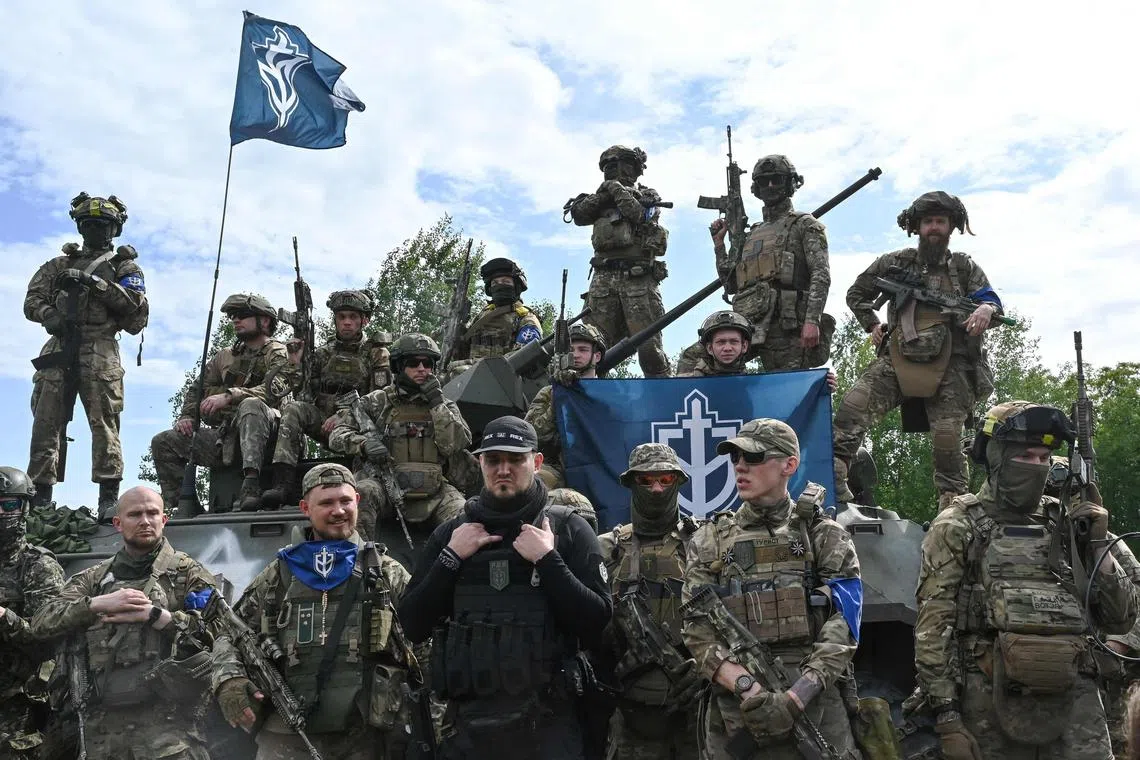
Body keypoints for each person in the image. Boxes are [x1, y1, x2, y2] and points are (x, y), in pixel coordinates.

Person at [915, 401, 1138, 760]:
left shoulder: (1070, 522)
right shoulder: (958, 525)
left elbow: (1121, 618)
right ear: (998, 458)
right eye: (1026, 457)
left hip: (1076, 707)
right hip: (987, 700)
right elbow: (933, 628)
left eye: (1044, 458)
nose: (1037, 467)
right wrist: (948, 720)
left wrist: (1097, 545)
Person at [397, 415, 612, 759]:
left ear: (536, 462)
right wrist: (451, 557)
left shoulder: (568, 529)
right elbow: (412, 624)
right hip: (469, 727)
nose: (503, 469)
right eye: (494, 459)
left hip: (549, 724)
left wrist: (547, 560)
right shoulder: (453, 534)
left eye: (516, 459)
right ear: (480, 462)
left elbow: (597, 623)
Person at [211, 463, 418, 759]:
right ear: (306, 508)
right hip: (288, 734)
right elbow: (228, 631)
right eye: (326, 503)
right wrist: (229, 679)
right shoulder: (280, 573)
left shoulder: (385, 572)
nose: (338, 511)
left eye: (345, 501)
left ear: (357, 502)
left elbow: (425, 639)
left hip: (366, 734)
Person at [682, 419, 861, 759]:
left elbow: (846, 622)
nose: (740, 467)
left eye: (754, 457)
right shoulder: (709, 540)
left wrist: (795, 699)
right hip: (737, 712)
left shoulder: (825, 535)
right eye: (735, 458)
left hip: (816, 708)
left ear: (789, 465)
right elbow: (696, 629)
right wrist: (747, 688)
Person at [832, 191, 1002, 509]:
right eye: (928, 222)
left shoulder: (963, 268)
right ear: (917, 227)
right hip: (898, 357)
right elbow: (857, 292)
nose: (934, 227)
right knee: (851, 410)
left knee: (947, 441)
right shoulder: (894, 262)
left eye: (941, 221)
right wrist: (872, 325)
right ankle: (835, 480)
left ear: (951, 227)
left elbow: (990, 298)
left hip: (952, 364)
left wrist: (986, 309)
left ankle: (952, 514)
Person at [31, 486, 219, 759]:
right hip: (101, 732)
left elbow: (219, 633)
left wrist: (157, 617)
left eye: (153, 513)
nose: (145, 521)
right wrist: (96, 604)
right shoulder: (93, 579)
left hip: (169, 730)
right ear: (118, 524)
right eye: (135, 514)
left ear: (164, 519)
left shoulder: (187, 574)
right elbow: (42, 621)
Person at [25, 193, 149, 518]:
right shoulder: (59, 264)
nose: (96, 231)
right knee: (46, 421)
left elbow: (135, 309)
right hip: (60, 346)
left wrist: (93, 283)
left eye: (103, 225)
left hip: (100, 348)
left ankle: (108, 499)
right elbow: (32, 299)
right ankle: (40, 498)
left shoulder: (124, 266)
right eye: (90, 224)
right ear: (80, 227)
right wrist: (48, 314)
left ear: (114, 229)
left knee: (104, 422)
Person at [597, 444, 702, 759]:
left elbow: (732, 621)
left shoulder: (703, 544)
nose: (656, 488)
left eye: (665, 480)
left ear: (678, 482)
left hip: (696, 711)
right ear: (631, 483)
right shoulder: (608, 549)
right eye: (646, 481)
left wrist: (707, 668)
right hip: (631, 714)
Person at [685, 154, 832, 374]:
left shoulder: (805, 225)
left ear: (791, 183)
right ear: (756, 188)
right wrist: (719, 245)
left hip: (786, 326)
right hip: (748, 321)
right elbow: (731, 284)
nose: (770, 186)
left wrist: (812, 321)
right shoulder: (753, 233)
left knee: (785, 388)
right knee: (692, 358)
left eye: (777, 179)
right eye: (764, 181)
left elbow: (821, 275)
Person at [150, 294, 290, 513]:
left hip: (270, 439)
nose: (235, 320)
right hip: (227, 437)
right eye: (232, 316)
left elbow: (276, 390)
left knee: (251, 405)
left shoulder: (278, 352)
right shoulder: (225, 357)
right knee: (164, 442)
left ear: (265, 321)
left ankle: (250, 486)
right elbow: (197, 390)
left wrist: (229, 396)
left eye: (242, 315)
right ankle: (182, 506)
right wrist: (187, 415)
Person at [328, 333, 471, 540]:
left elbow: (457, 443)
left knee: (465, 516)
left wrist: (436, 403)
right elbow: (337, 434)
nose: (422, 369)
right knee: (361, 494)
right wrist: (364, 444)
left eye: (428, 363)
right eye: (414, 363)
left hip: (436, 491)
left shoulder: (444, 405)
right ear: (398, 366)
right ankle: (359, 561)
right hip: (385, 487)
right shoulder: (376, 402)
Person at [260, 290, 393, 509]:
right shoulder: (323, 354)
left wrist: (344, 416)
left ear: (364, 320)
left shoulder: (377, 354)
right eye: (342, 317)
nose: (347, 323)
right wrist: (295, 363)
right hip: (324, 422)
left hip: (358, 427)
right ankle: (282, 482)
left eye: (352, 317)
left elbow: (379, 401)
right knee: (293, 409)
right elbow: (302, 395)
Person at [568, 145, 671, 378]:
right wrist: (606, 193)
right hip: (603, 281)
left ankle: (663, 399)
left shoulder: (648, 196)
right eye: (608, 168)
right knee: (591, 344)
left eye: (618, 165)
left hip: (638, 281)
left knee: (649, 347)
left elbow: (637, 214)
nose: (612, 171)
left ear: (634, 168)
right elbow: (580, 215)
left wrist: (613, 189)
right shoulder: (598, 198)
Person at [0, 467, 66, 758]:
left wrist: (4, 617)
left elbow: (49, 640)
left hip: (17, 708)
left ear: (24, 507)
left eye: (9, 504)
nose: (1, 513)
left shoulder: (38, 566)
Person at [525, 323, 606, 489]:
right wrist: (558, 398)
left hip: (602, 467)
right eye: (570, 350)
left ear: (596, 356)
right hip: (557, 469)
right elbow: (532, 437)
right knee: (532, 480)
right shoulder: (549, 393)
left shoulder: (610, 394)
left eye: (582, 350)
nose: (575, 355)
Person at [677, 311, 838, 390]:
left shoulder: (755, 388)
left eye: (734, 342)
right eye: (721, 342)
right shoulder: (689, 384)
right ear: (710, 348)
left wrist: (818, 388)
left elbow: (786, 402)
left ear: (745, 346)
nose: (727, 348)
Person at [448, 257, 542, 369]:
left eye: (506, 282)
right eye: (495, 283)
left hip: (501, 382)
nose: (499, 285)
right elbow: (463, 352)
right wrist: (457, 332)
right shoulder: (483, 315)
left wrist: (470, 365)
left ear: (517, 287)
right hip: (467, 380)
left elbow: (521, 359)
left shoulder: (526, 319)